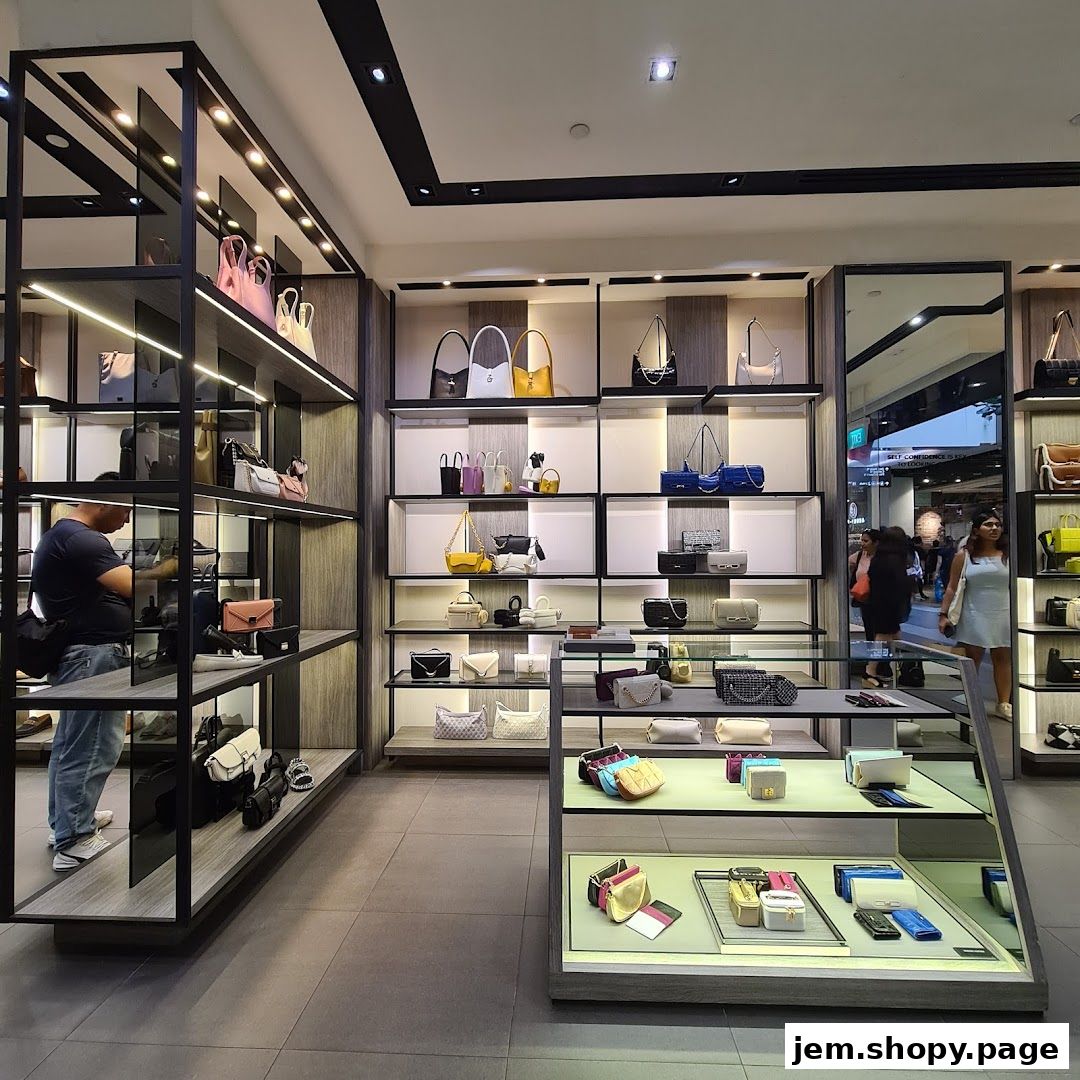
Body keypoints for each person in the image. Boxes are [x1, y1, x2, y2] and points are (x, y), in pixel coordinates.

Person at [32, 474, 175, 872]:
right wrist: (171, 567)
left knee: (72, 743)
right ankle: (74, 840)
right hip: (92, 656)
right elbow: (132, 585)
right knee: (94, 744)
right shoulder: (82, 539)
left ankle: (66, 823)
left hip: (84, 654)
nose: (127, 520)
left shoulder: (64, 536)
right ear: (106, 502)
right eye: (126, 510)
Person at [939, 507, 1012, 720]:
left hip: (1003, 611)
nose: (994, 528)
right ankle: (969, 699)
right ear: (976, 529)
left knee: (1003, 657)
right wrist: (943, 614)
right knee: (972, 658)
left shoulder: (1009, 554)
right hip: (973, 611)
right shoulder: (965, 556)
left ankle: (1004, 703)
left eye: (997, 524)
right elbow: (952, 587)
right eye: (988, 525)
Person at [862, 526, 912, 688]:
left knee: (889, 637)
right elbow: (899, 585)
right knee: (885, 638)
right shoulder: (896, 560)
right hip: (889, 605)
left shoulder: (879, 559)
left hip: (878, 604)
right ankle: (871, 670)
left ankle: (883, 670)